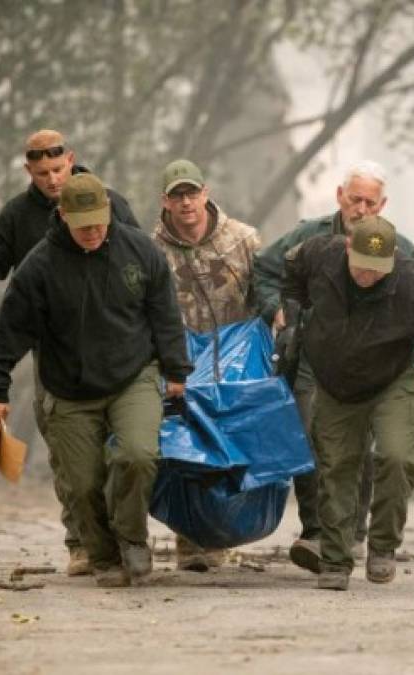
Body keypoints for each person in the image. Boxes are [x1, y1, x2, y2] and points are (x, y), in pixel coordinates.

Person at [0, 130, 140, 577]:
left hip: (114, 343)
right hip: (56, 349)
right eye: (42, 173)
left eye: (58, 169)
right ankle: (80, 541)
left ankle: (122, 536)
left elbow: (142, 266)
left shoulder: (111, 203)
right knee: (68, 448)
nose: (52, 179)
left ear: (72, 160)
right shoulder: (19, 217)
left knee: (123, 446)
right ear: (29, 172)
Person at [0, 172, 192, 587]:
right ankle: (103, 555)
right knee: (82, 482)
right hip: (69, 387)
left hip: (133, 375)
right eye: (82, 225)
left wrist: (176, 369)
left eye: (98, 222)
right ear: (62, 216)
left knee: (137, 455)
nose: (92, 232)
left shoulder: (140, 251)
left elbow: (164, 313)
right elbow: (10, 329)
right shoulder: (39, 266)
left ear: (109, 212)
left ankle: (131, 537)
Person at [283, 215, 414, 590]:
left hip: (395, 378)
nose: (368, 276)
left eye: (377, 269)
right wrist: (294, 320)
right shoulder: (319, 254)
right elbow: (291, 271)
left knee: (397, 456)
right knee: (336, 466)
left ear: (393, 258)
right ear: (347, 247)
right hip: (336, 381)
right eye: (362, 266)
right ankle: (334, 559)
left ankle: (382, 545)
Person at [253, 160, 414, 573]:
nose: (361, 209)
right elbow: (264, 269)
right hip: (314, 358)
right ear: (339, 197)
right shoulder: (308, 236)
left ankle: (354, 533)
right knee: (311, 437)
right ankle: (316, 531)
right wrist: (275, 309)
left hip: (376, 366)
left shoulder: (398, 246)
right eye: (355, 200)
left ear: (381, 205)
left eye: (371, 202)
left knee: (364, 447)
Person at [150, 158, 262, 571]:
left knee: (232, 453)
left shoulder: (244, 240)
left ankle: (222, 534)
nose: (186, 203)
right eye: (177, 195)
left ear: (205, 193)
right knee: (186, 452)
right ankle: (190, 538)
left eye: (191, 193)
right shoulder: (152, 250)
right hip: (181, 364)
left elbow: (265, 292)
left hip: (237, 365)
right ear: (165, 200)